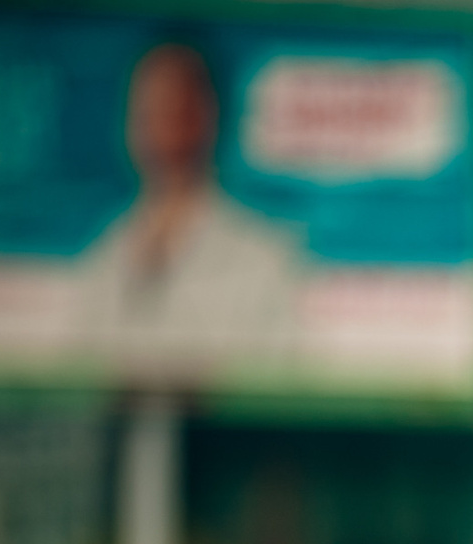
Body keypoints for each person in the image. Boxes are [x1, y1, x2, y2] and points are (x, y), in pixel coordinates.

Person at [71, 42, 302, 373]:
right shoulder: (103, 258)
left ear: (208, 117)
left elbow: (278, 393)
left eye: (177, 109)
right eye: (148, 113)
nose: (163, 130)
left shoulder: (265, 259)